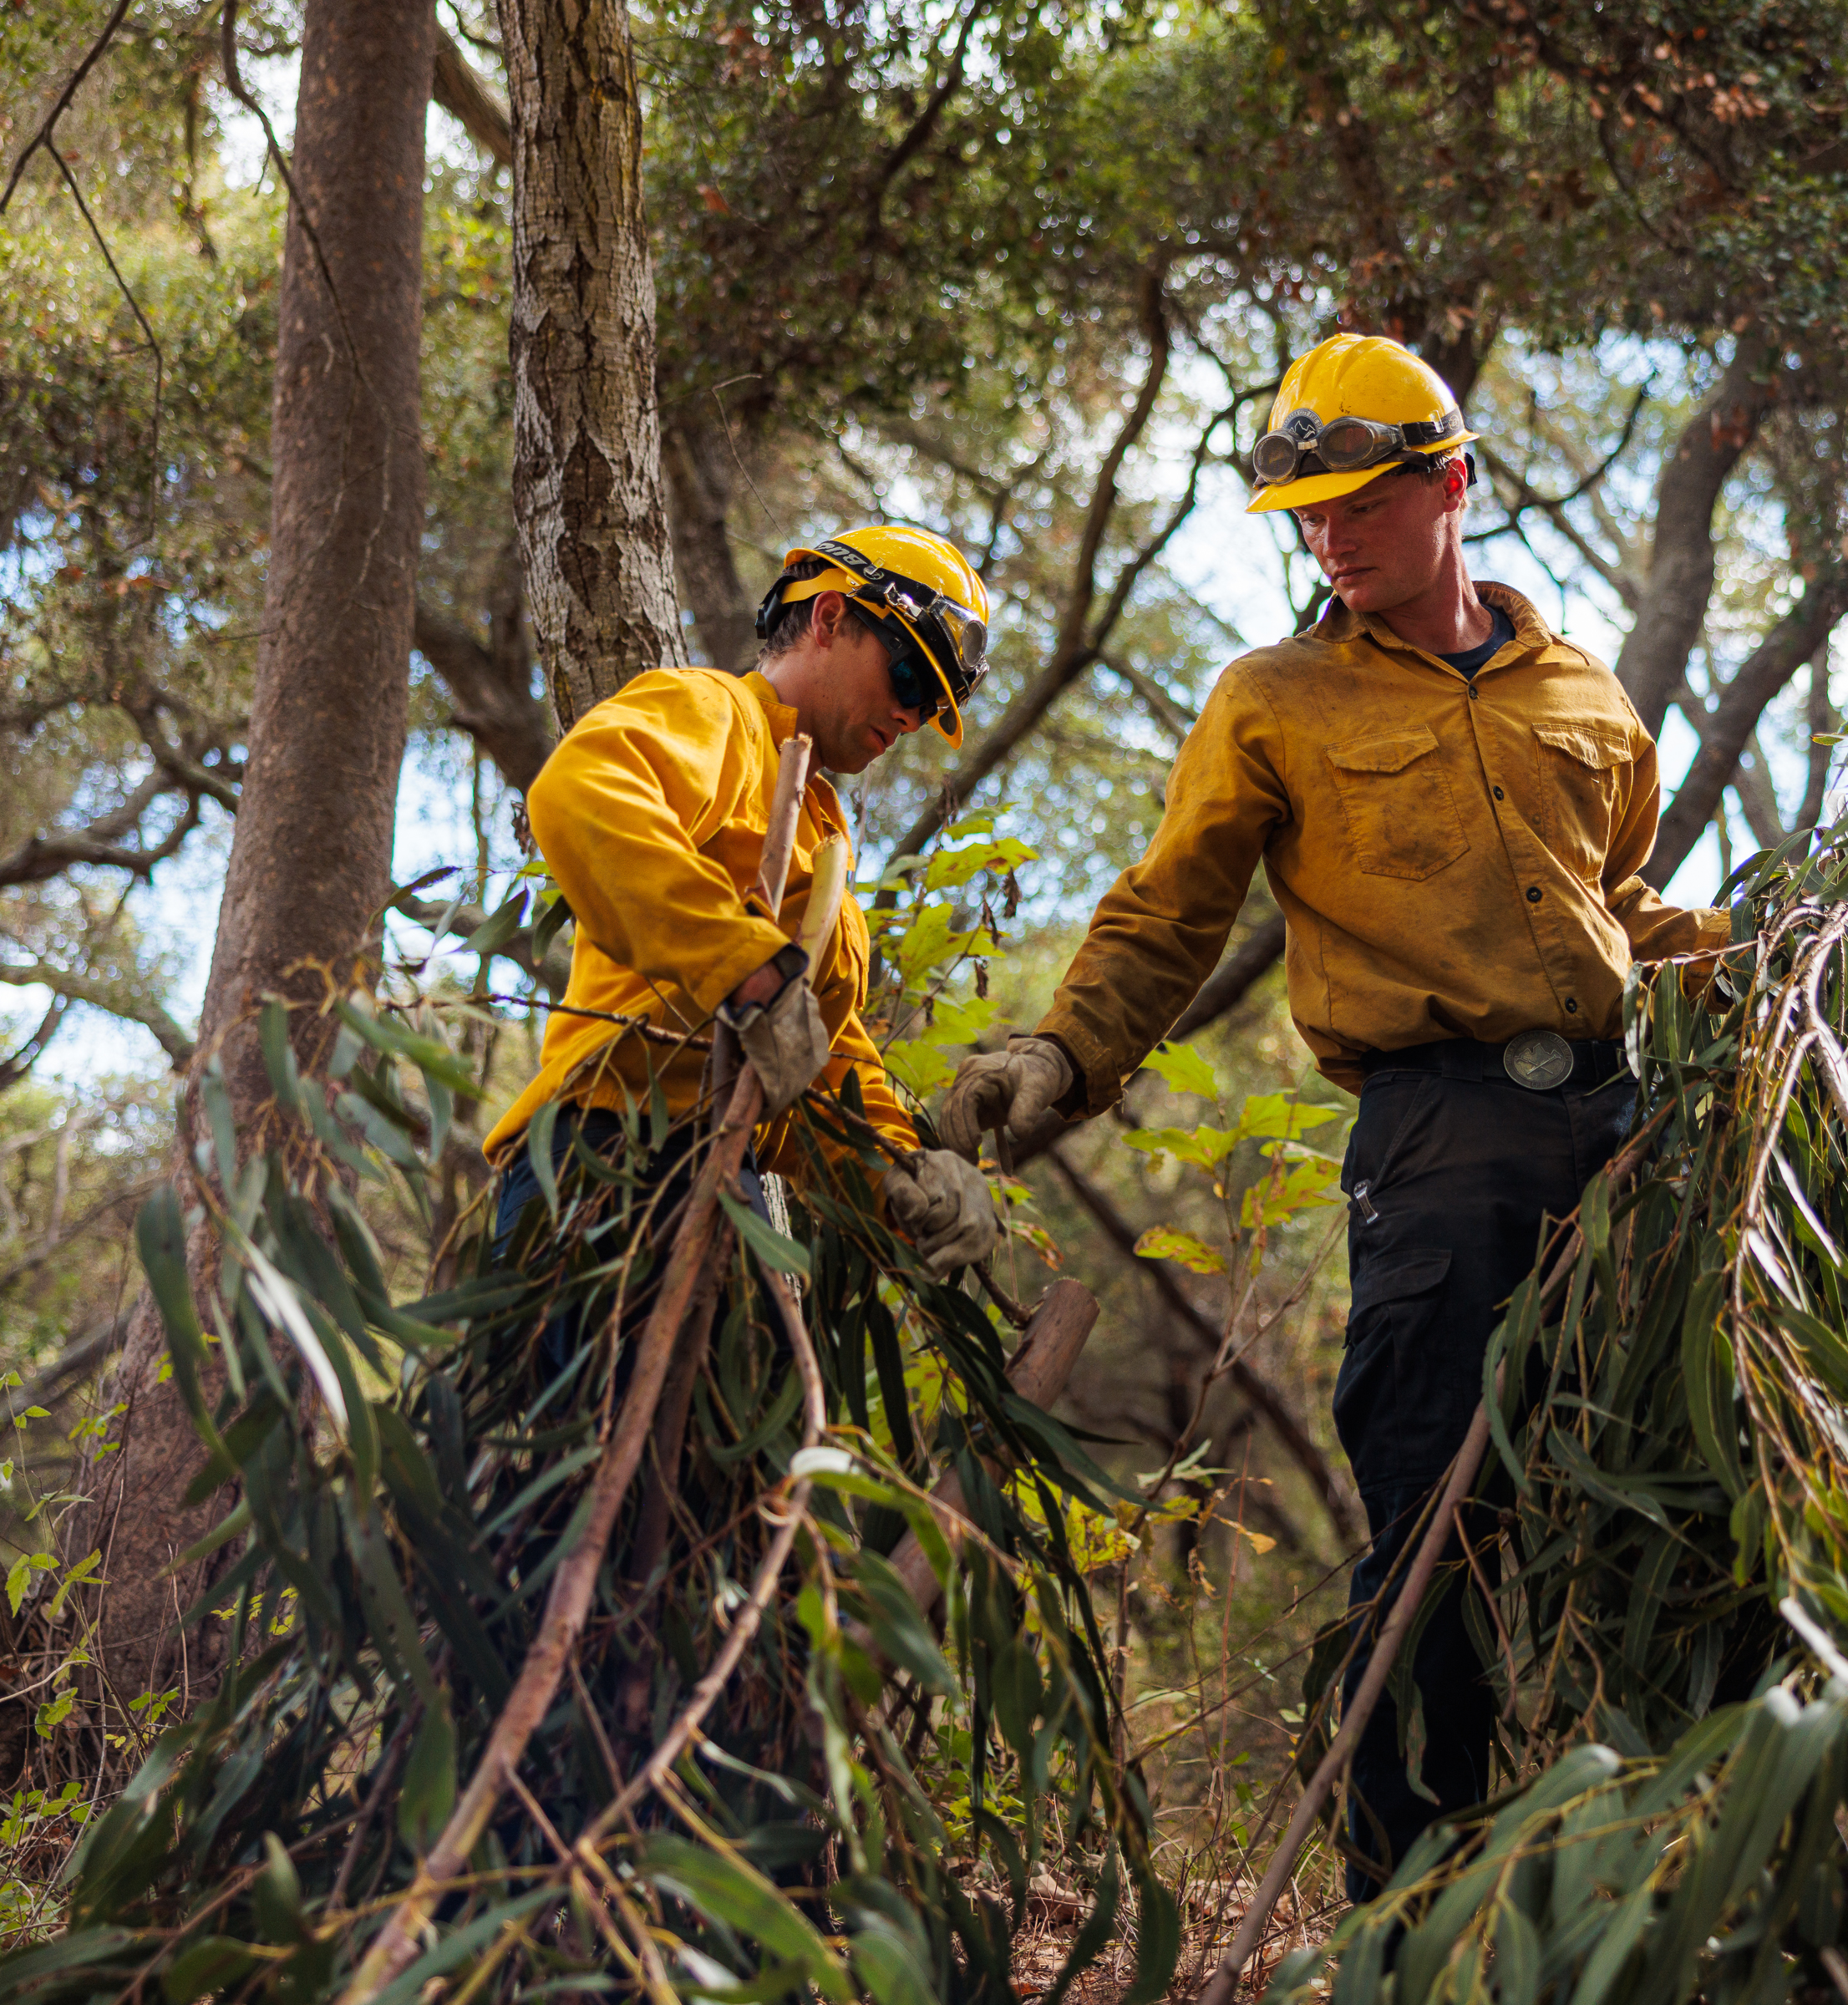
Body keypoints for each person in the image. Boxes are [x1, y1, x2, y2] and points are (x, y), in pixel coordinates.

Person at [941, 332, 1729, 1896]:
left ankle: (1645, 1887)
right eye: (1306, 515)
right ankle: (1410, 1914)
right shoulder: (1271, 700)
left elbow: (1616, 898)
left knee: (1669, 1502)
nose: (1330, 535)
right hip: (1437, 1151)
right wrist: (1057, 1062)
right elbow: (1168, 914)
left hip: (1628, 1134)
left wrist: (1768, 971)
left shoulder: (1583, 689)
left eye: (1358, 502)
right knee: (1435, 1516)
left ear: (1450, 485)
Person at [483, 524, 1004, 1280]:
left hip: (718, 1180)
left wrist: (899, 1172)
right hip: (605, 1160)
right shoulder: (716, 710)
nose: (912, 717)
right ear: (829, 619)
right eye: (910, 681)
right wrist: (743, 968)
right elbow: (584, 791)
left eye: (933, 709)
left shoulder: (820, 828)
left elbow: (811, 1048)